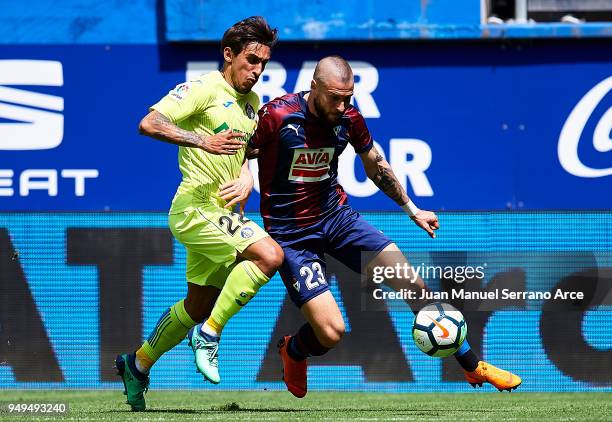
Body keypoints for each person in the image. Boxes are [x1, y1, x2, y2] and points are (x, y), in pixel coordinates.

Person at [246, 55, 522, 398]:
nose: (343, 104)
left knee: (414, 287)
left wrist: (412, 209)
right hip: (291, 236)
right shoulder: (278, 115)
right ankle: (294, 350)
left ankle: (473, 367)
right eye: (335, 97)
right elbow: (241, 150)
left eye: (349, 97)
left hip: (337, 219)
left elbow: (376, 165)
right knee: (331, 333)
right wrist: (243, 179)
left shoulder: (348, 118)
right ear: (314, 87)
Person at [115, 16, 283, 411]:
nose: (257, 70)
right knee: (269, 255)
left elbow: (243, 152)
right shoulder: (204, 88)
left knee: (197, 304)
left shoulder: (252, 103)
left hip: (218, 211)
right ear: (229, 55)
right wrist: (200, 140)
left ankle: (136, 365)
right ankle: (209, 335)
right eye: (251, 60)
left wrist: (246, 178)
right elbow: (149, 123)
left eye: (263, 63)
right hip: (195, 207)